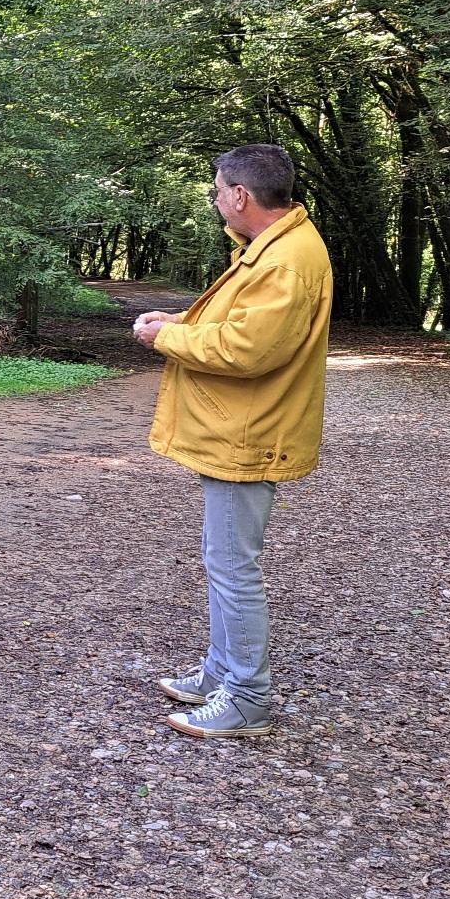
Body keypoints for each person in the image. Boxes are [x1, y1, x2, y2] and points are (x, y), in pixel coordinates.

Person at [133, 144, 332, 739]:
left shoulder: (287, 259)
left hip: (249, 434)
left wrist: (165, 340)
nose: (217, 200)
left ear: (241, 195)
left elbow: (247, 351)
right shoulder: (272, 249)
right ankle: (221, 671)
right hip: (240, 428)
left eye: (219, 191)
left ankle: (247, 696)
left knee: (232, 566)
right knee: (223, 561)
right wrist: (180, 324)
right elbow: (243, 328)